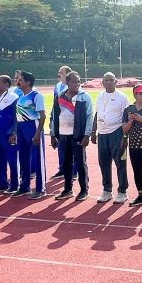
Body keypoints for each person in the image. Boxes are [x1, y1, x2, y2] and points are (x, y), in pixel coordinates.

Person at [51, 71, 93, 201]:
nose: (77, 84)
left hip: (78, 136)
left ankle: (84, 190)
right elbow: (54, 116)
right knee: (66, 164)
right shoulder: (60, 96)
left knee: (80, 163)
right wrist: (53, 134)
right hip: (63, 135)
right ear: (67, 82)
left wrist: (87, 135)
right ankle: (68, 189)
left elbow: (89, 117)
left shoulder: (84, 97)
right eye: (74, 81)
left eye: (79, 81)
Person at [93, 72, 130, 204]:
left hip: (117, 133)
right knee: (103, 163)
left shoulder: (122, 98)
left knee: (120, 163)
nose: (108, 82)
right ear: (102, 83)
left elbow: (127, 118)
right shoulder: (99, 96)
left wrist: (125, 137)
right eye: (106, 80)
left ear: (116, 82)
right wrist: (93, 131)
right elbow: (97, 113)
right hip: (102, 134)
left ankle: (122, 191)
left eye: (111, 80)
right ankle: (107, 190)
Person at [15, 71, 48, 198]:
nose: (18, 81)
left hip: (32, 126)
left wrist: (38, 133)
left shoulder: (36, 95)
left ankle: (40, 188)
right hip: (21, 127)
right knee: (23, 158)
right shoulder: (20, 96)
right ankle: (24, 186)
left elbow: (42, 115)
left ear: (28, 82)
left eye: (21, 80)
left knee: (38, 158)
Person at [0, 75, 20, 194]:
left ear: (6, 84)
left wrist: (14, 132)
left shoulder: (14, 98)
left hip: (8, 134)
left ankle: (14, 185)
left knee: (12, 160)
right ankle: (2, 184)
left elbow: (17, 117)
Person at [51, 65, 75, 179]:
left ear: (67, 74)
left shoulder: (74, 87)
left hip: (71, 123)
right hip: (60, 122)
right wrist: (52, 118)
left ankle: (74, 171)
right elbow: (54, 104)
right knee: (61, 147)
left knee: (72, 148)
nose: (58, 74)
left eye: (61, 72)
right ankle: (62, 169)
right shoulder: (57, 86)